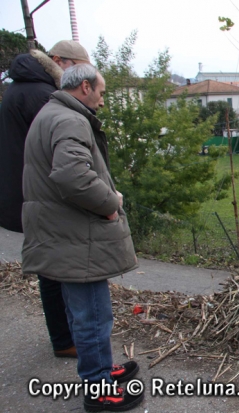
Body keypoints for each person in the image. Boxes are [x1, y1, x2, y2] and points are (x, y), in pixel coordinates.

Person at [22, 64, 143, 411]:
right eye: (102, 93)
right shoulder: (71, 120)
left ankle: (101, 370)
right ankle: (98, 388)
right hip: (76, 236)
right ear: (86, 87)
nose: (102, 102)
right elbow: (72, 175)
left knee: (85, 311)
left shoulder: (51, 113)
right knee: (92, 313)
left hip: (61, 230)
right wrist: (109, 204)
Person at [0, 40, 91, 359]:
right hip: (40, 195)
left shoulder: (21, 88)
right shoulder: (41, 95)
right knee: (54, 269)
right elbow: (61, 155)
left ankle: (64, 334)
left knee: (51, 266)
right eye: (78, 68)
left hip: (25, 192)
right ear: (57, 61)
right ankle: (64, 338)